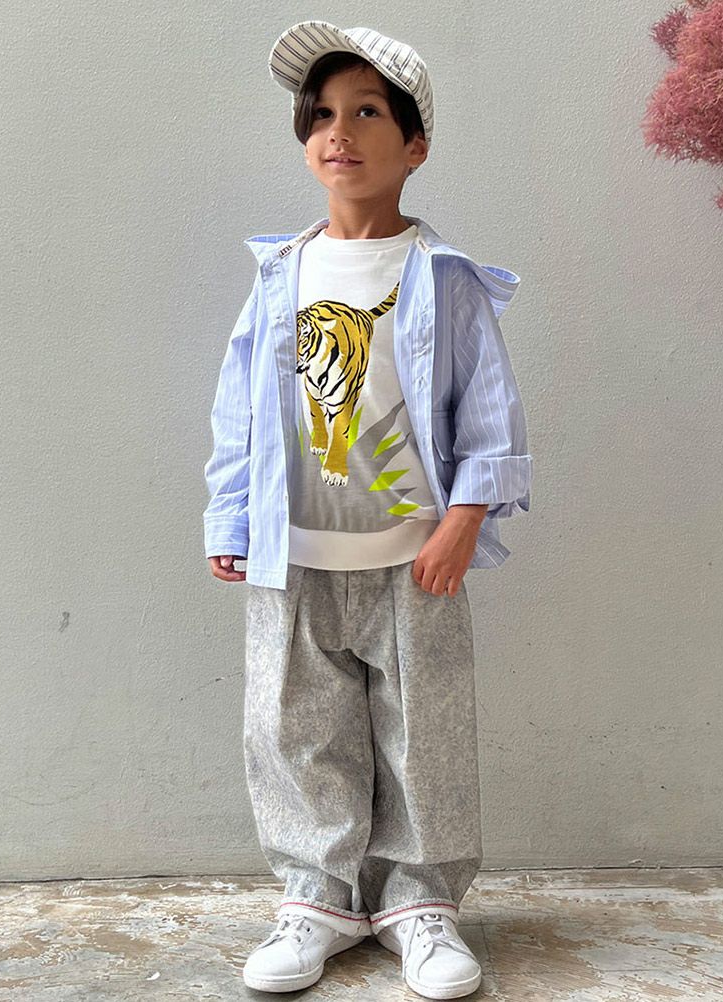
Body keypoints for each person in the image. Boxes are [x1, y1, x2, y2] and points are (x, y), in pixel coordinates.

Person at [202, 21, 532, 999]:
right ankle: (319, 899)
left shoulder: (442, 278)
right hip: (296, 553)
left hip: (412, 557)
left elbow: (488, 408)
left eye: (366, 112)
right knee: (295, 727)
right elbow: (239, 409)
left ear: (415, 145)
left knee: (424, 729)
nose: (337, 132)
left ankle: (420, 905)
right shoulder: (280, 274)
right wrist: (231, 517)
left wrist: (465, 520)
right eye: (320, 116)